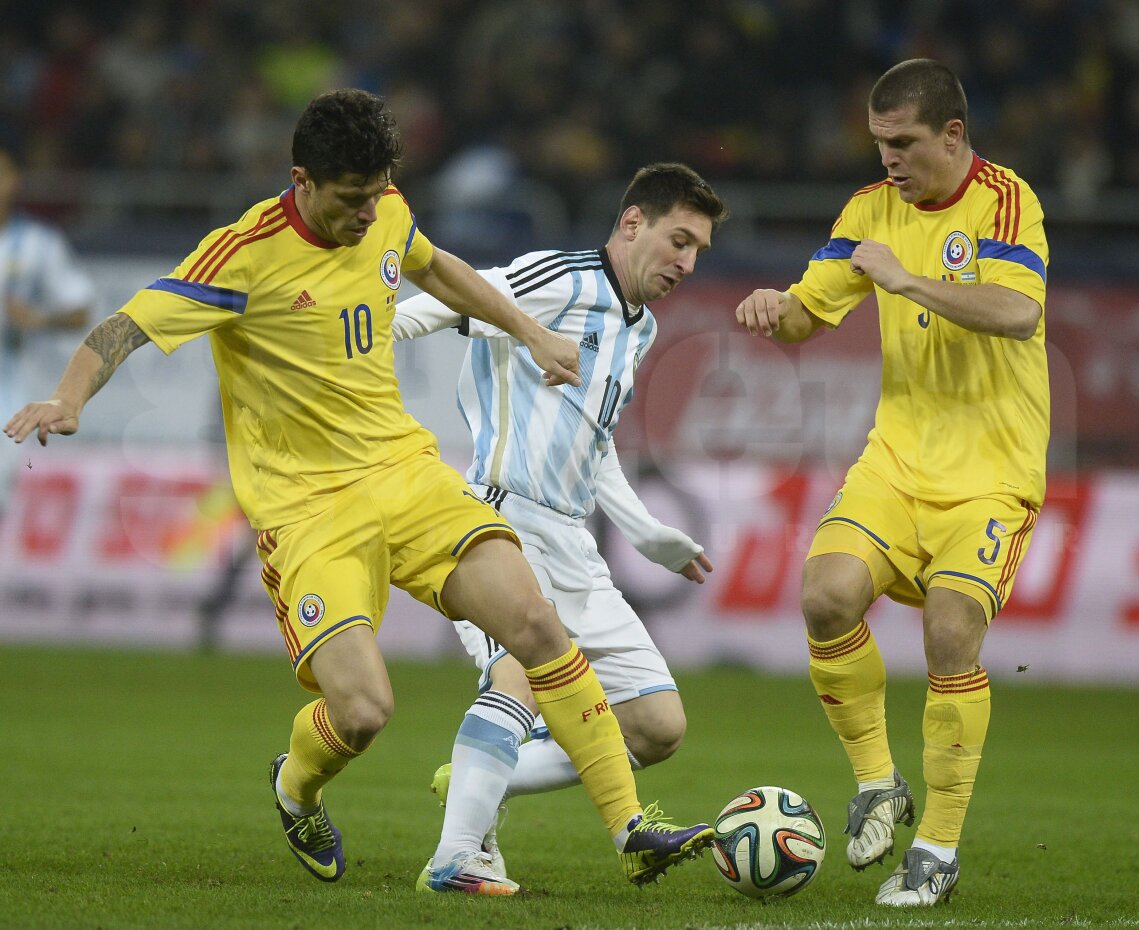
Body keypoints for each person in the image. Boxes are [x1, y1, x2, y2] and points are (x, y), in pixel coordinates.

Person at [4, 89, 714, 892]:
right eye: (350, 199)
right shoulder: (242, 254)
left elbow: (437, 267)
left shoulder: (384, 208)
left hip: (405, 473)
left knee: (536, 625)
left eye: (377, 193)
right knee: (363, 712)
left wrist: (529, 331)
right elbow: (123, 326)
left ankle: (629, 828)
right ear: (302, 180)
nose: (366, 213)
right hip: (308, 512)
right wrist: (68, 398)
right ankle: (294, 787)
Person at [735, 59, 1049, 907]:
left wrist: (909, 279)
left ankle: (937, 850)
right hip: (897, 461)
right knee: (825, 596)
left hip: (990, 475)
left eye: (903, 143)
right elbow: (812, 311)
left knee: (952, 631)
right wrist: (778, 311)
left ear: (952, 135)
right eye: (878, 144)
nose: (888, 161)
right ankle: (878, 782)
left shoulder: (1006, 202)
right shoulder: (868, 212)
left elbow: (1020, 312)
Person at [391, 162, 727, 893]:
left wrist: (643, 530)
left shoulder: (643, 329)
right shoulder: (561, 276)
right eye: (678, 240)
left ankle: (481, 782)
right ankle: (454, 857)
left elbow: (594, 436)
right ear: (632, 222)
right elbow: (450, 300)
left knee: (658, 726)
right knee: (521, 672)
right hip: (498, 519)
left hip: (574, 539)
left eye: (698, 250)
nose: (686, 263)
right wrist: (370, 335)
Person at [0, 141, 94, 513]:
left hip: (9, 385)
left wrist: (37, 318)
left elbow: (80, 310)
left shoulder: (38, 244)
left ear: (15, 181)